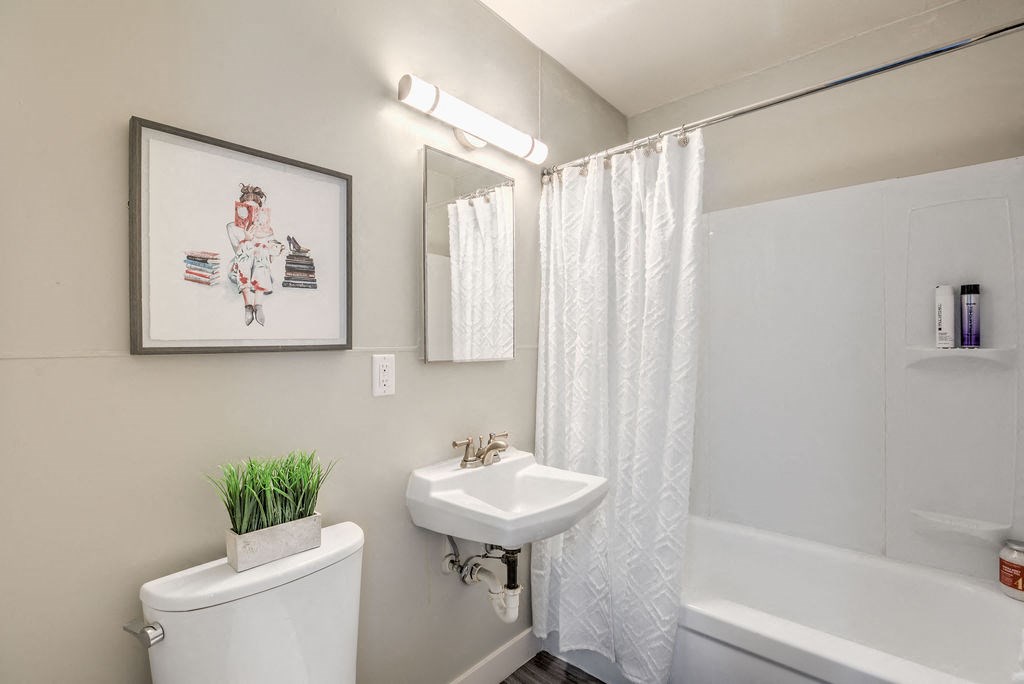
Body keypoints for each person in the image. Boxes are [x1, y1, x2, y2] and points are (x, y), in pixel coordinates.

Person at [226, 184, 284, 326]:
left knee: (262, 248)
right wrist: (246, 238)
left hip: (260, 274)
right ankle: (248, 305)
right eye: (247, 209)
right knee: (247, 246)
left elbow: (269, 258)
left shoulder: (267, 229)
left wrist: (276, 251)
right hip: (239, 270)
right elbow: (237, 251)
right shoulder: (232, 227)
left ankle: (258, 305)